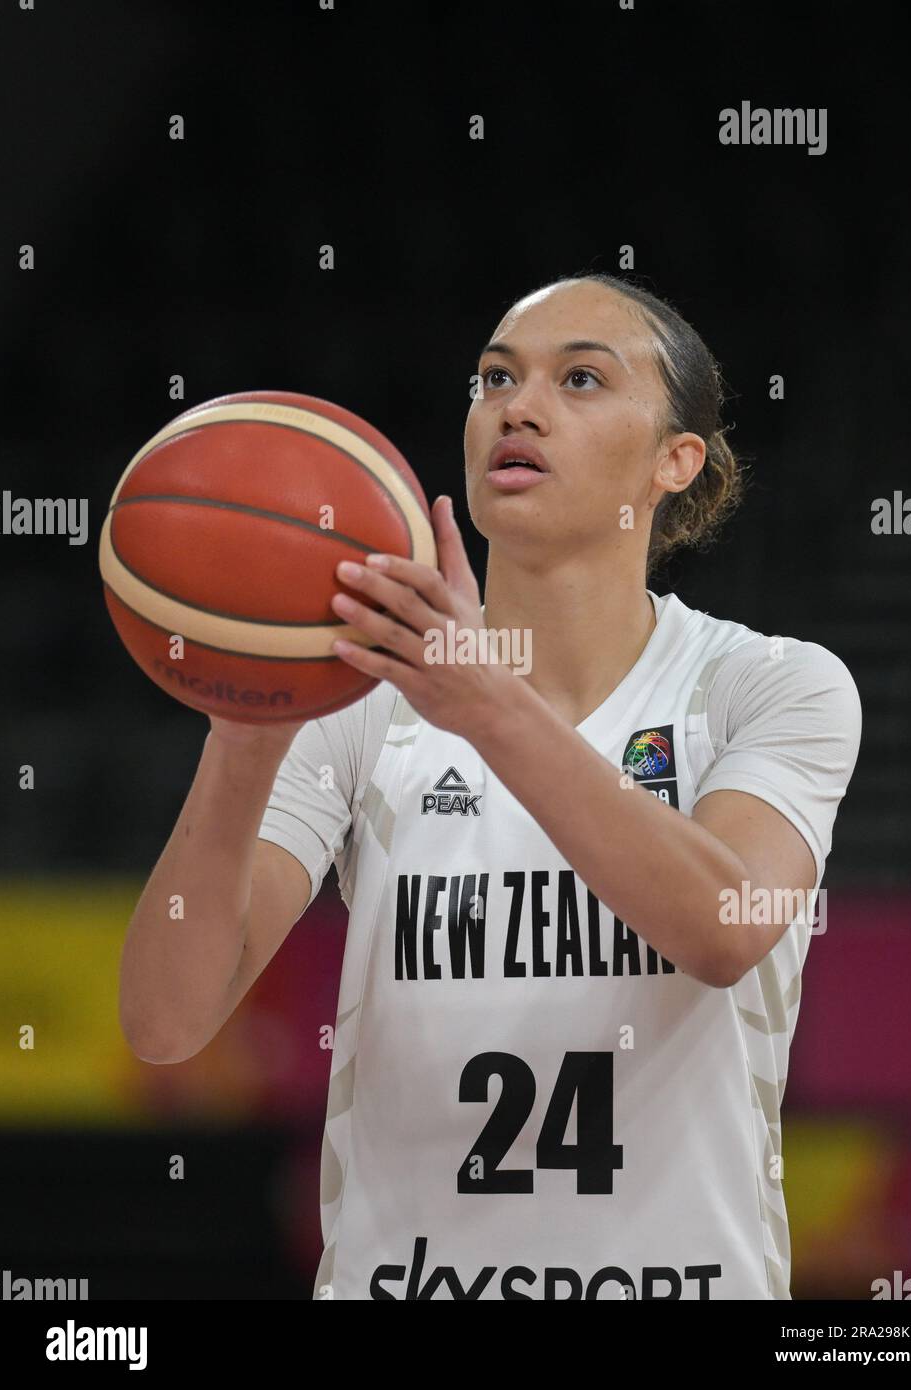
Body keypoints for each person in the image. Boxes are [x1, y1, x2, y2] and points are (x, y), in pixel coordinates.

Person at [119, 272, 861, 1300]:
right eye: (494, 378)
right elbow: (165, 1022)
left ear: (672, 462)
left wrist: (488, 703)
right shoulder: (360, 707)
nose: (517, 404)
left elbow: (723, 925)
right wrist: (248, 726)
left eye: (583, 378)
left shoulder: (768, 684)